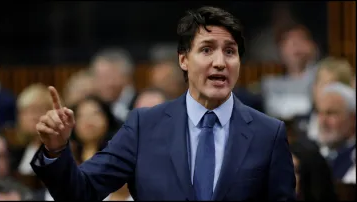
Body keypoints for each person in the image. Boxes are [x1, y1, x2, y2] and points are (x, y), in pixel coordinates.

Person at [31, 6, 296, 201]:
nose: (220, 62)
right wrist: (56, 150)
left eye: (230, 51)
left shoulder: (268, 133)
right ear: (183, 59)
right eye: (206, 49)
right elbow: (81, 192)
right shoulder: (143, 126)